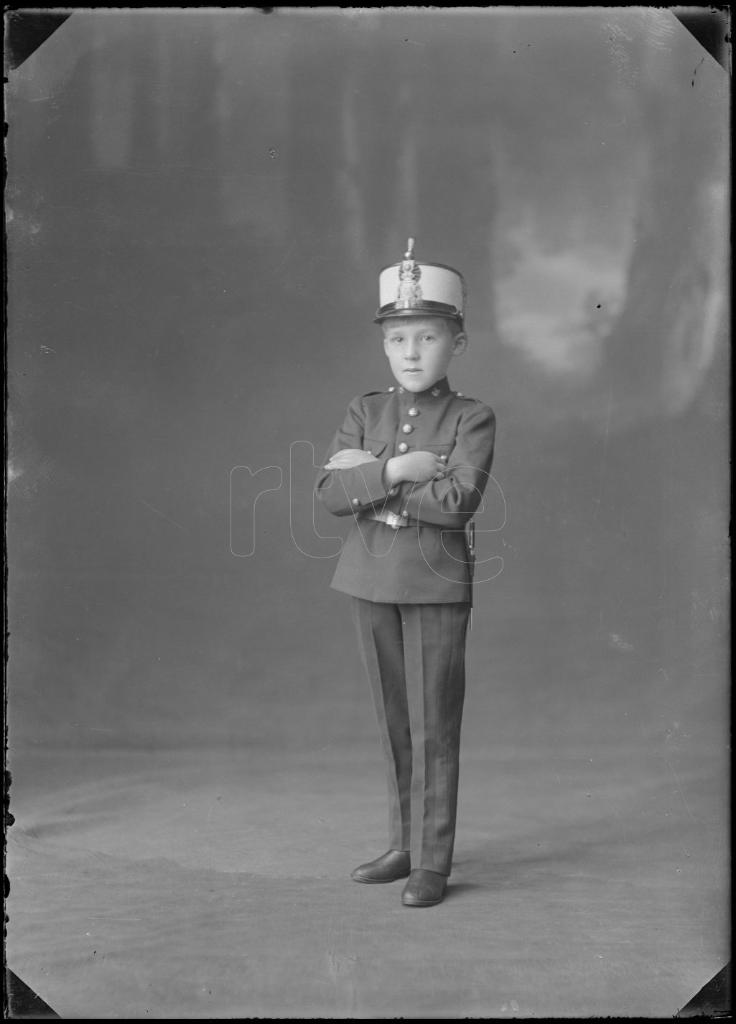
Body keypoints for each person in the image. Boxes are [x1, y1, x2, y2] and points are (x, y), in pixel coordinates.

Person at [314, 239, 496, 907]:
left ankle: (434, 861)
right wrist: (395, 470)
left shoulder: (471, 417)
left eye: (427, 336)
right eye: (398, 340)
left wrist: (367, 479)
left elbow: (456, 505)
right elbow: (329, 497)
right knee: (391, 721)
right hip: (367, 580)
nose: (412, 352)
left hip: (435, 585)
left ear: (458, 342)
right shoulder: (366, 410)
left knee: (434, 724)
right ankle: (402, 845)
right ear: (384, 346)